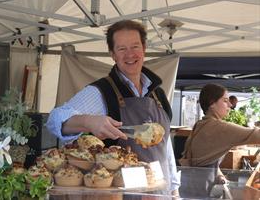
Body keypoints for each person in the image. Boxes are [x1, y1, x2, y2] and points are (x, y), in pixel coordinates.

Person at [47, 20, 180, 195]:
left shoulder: (159, 94)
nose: (130, 54)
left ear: (144, 48)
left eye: (135, 46)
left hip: (160, 192)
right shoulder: (101, 91)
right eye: (122, 49)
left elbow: (165, 147)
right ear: (113, 54)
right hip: (120, 195)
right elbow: (54, 120)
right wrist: (89, 122)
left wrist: (174, 188)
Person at [179, 83, 260, 198]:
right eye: (225, 100)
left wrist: (218, 175)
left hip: (191, 189)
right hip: (201, 193)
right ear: (212, 103)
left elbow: (203, 160)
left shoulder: (201, 124)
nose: (230, 105)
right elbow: (256, 135)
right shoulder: (217, 127)